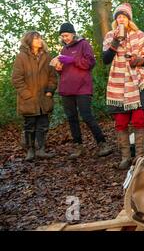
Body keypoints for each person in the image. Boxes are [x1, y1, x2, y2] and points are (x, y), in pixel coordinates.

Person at [102, 3, 144, 169]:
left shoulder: (139, 35)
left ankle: (139, 156)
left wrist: (140, 60)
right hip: (118, 81)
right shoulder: (110, 35)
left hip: (138, 79)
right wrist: (116, 42)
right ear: (115, 20)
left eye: (123, 16)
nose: (121, 18)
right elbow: (105, 59)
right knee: (121, 121)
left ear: (129, 19)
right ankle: (125, 157)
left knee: (139, 119)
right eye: (118, 16)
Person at [51, 22, 112, 159]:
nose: (64, 38)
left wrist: (72, 60)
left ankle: (102, 143)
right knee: (72, 118)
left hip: (82, 88)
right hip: (67, 88)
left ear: (73, 33)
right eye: (62, 36)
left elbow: (90, 63)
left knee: (86, 116)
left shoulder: (84, 44)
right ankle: (78, 146)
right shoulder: (63, 49)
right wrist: (59, 68)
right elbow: (65, 71)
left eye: (66, 35)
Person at [12, 31, 57, 161]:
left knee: (43, 124)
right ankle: (30, 151)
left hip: (44, 98)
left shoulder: (47, 56)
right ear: (29, 41)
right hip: (28, 99)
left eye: (40, 38)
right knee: (29, 126)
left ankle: (41, 150)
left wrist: (50, 90)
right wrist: (27, 95)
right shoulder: (21, 57)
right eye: (36, 39)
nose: (39, 40)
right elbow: (16, 79)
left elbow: (52, 77)